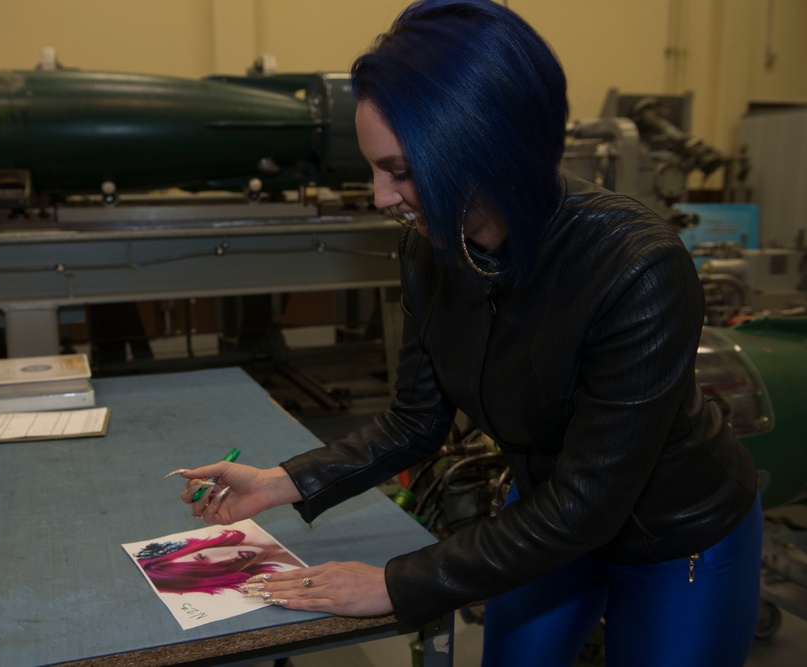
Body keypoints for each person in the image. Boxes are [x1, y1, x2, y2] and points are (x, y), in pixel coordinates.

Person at [173, 1, 762, 664]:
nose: (379, 197)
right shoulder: (431, 247)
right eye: (372, 169)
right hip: (541, 516)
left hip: (674, 538)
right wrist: (277, 481)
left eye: (398, 170)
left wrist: (397, 583)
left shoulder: (636, 267)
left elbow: (591, 502)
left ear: (485, 144)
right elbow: (414, 422)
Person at [134, 528, 301, 594]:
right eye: (217, 572)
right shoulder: (296, 572)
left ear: (195, 548)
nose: (230, 558)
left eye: (202, 557)